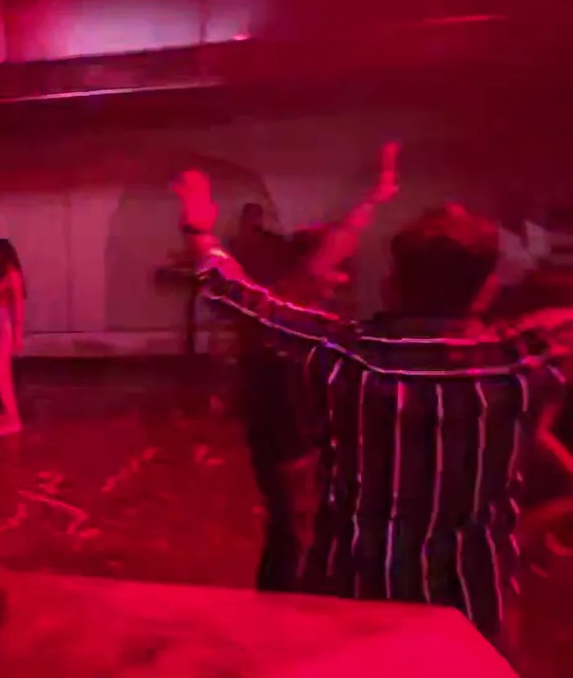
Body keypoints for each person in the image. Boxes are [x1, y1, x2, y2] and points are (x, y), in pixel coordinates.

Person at [172, 162, 571, 655]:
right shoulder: (524, 360)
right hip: (471, 606)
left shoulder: (348, 356)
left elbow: (234, 294)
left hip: (356, 602)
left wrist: (199, 229)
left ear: (391, 284)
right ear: (487, 289)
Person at [234, 145, 400, 593]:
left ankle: (291, 606)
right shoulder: (286, 307)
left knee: (297, 535)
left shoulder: (294, 309)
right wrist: (374, 198)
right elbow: (333, 249)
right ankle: (281, 615)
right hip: (288, 446)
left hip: (297, 443)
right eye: (336, 269)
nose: (342, 279)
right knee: (294, 535)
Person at [0, 239, 25, 436]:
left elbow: (18, 305)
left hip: (7, 328)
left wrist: (18, 334)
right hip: (1, 327)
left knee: (2, 375)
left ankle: (14, 419)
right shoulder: (2, 274)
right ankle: (8, 414)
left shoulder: (12, 274)